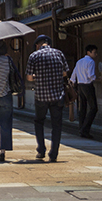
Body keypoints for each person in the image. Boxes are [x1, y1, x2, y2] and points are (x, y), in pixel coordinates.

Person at [25, 34, 69, 162]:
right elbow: (65, 72)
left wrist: (36, 76)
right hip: (57, 95)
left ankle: (41, 150)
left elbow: (29, 78)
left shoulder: (34, 56)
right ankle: (54, 153)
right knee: (57, 125)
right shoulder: (59, 53)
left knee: (39, 122)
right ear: (48, 43)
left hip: (41, 95)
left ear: (38, 45)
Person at [70, 44, 100, 139]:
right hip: (87, 85)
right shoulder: (90, 62)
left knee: (83, 107)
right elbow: (91, 75)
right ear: (89, 52)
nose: (96, 54)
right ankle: (85, 129)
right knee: (93, 108)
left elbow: (74, 74)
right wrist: (98, 78)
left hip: (80, 85)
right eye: (94, 52)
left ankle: (81, 128)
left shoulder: (79, 61)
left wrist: (73, 82)